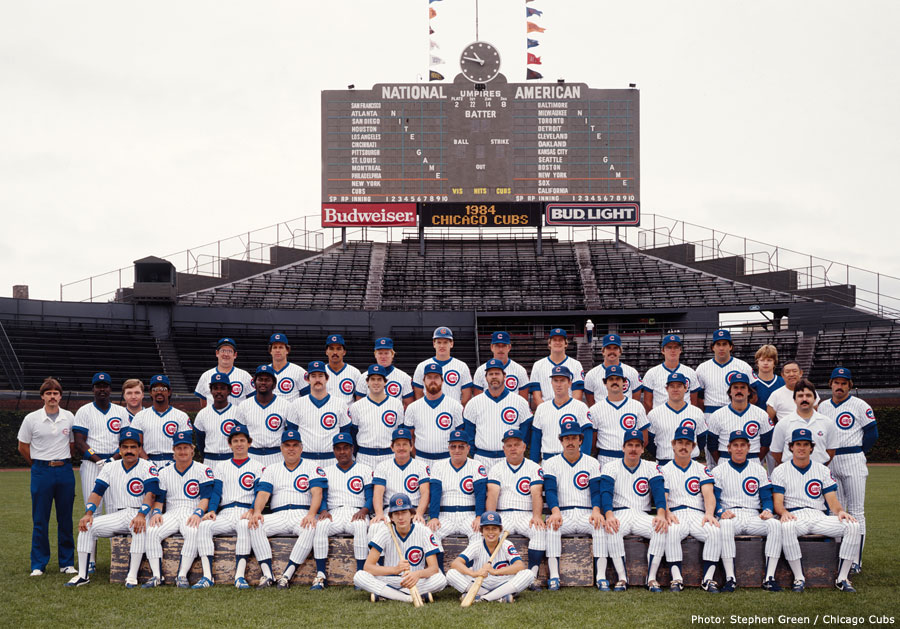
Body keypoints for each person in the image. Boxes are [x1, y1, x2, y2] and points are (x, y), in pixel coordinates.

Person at [64, 427, 157, 587]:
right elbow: (97, 492)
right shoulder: (109, 467)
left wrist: (141, 515)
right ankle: (82, 575)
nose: (129, 450)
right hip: (119, 515)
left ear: (140, 449)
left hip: (140, 513)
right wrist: (89, 513)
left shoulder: (148, 466)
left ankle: (132, 576)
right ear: (119, 449)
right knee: (87, 526)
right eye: (125, 447)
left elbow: (151, 494)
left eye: (133, 447)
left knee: (138, 527)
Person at [772, 428, 861, 593]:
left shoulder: (822, 470)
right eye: (798, 444)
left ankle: (842, 578)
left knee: (853, 526)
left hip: (818, 516)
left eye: (806, 444)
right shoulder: (780, 470)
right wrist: (783, 513)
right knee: (786, 527)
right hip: (795, 515)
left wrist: (840, 511)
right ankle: (799, 577)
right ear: (791, 447)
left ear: (811, 448)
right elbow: (778, 502)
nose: (802, 448)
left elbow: (832, 500)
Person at [243, 429, 325, 589]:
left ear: (301, 448)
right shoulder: (272, 469)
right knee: (254, 525)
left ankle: (287, 575)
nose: (291, 448)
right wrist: (257, 511)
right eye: (287, 445)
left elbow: (317, 493)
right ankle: (267, 574)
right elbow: (263, 494)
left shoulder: (311, 466)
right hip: (279, 514)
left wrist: (311, 514)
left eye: (295, 445)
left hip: (301, 514)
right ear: (281, 448)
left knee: (310, 527)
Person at [816, 367, 878, 573]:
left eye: (844, 383)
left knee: (857, 511)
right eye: (836, 382)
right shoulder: (823, 406)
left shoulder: (860, 405)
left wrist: (859, 452)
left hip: (852, 458)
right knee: (836, 512)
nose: (839, 386)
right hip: (831, 460)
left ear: (849, 385)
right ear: (830, 384)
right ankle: (840, 557)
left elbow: (872, 433)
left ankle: (855, 560)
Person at [140, 431, 215, 588]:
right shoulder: (164, 471)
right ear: (173, 451)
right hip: (172, 512)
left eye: (186, 448)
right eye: (179, 448)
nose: (182, 451)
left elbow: (205, 498)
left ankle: (181, 575)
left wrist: (198, 513)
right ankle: (156, 576)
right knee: (152, 530)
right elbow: (160, 499)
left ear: (192, 450)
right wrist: (156, 513)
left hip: (191, 511)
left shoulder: (203, 469)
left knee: (194, 532)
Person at [18, 377, 77, 576]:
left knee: (65, 519)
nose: (52, 397)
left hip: (64, 471)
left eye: (56, 393)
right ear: (42, 396)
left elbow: (71, 444)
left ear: (60, 396)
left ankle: (67, 563)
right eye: (49, 393)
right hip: (41, 471)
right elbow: (23, 446)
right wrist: (38, 464)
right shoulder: (31, 418)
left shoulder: (69, 416)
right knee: (40, 519)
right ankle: (38, 564)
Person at [711, 429, 782, 592]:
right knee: (726, 526)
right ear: (728, 448)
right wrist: (721, 512)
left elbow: (766, 497)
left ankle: (769, 578)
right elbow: (714, 498)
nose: (739, 449)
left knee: (775, 525)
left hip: (753, 515)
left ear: (748, 447)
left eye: (743, 445)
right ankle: (730, 578)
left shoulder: (758, 469)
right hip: (731, 514)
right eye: (735, 445)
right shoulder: (719, 470)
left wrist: (768, 510)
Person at [196, 423, 263, 589]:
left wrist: (253, 510)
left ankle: (239, 576)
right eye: (235, 441)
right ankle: (207, 576)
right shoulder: (221, 466)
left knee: (244, 526)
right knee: (204, 526)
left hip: (245, 510)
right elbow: (216, 492)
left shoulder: (257, 466)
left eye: (242, 440)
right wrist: (211, 510)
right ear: (230, 444)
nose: (239, 444)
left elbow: (259, 493)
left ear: (249, 443)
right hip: (226, 512)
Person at [599, 429, 668, 592]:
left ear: (643, 449)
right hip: (619, 513)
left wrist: (661, 514)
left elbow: (659, 491)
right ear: (623, 447)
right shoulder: (610, 466)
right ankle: (622, 578)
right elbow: (605, 492)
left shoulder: (651, 467)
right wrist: (609, 515)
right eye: (630, 445)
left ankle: (651, 578)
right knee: (612, 529)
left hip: (641, 514)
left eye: (637, 445)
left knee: (660, 529)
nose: (633, 449)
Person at [542, 422, 605, 591]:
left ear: (580, 440)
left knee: (599, 527)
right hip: (564, 513)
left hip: (586, 512)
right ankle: (554, 576)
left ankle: (601, 576)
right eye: (566, 438)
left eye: (574, 438)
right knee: (552, 528)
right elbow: (550, 490)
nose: (570, 442)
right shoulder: (550, 462)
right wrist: (555, 511)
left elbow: (596, 491)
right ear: (561, 441)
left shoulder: (591, 462)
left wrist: (596, 511)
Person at [659, 426, 722, 593]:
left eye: (688, 443)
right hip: (676, 513)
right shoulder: (664, 470)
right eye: (680, 442)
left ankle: (708, 579)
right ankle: (676, 578)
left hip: (697, 513)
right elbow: (662, 497)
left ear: (693, 447)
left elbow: (709, 494)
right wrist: (667, 512)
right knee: (671, 530)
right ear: (673, 444)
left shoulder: (701, 469)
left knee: (714, 531)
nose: (683, 446)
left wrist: (709, 514)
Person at [353, 493, 447, 603]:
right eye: (396, 513)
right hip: (390, 578)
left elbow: (433, 568)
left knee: (440, 579)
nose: (401, 517)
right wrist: (395, 569)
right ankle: (407, 597)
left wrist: (417, 574)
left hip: (415, 579)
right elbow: (368, 567)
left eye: (404, 512)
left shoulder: (424, 531)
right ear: (391, 517)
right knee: (359, 576)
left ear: (412, 514)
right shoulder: (385, 531)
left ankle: (388, 594)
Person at [484, 429, 546, 586]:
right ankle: (493, 573)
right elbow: (492, 495)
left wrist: (537, 516)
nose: (513, 448)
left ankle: (532, 575)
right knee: (490, 534)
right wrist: (491, 519)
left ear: (524, 447)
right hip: (503, 515)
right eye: (509, 445)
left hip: (525, 514)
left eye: (516, 445)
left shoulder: (533, 467)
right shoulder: (496, 468)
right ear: (504, 449)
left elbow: (536, 493)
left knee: (539, 530)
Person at [312, 432, 374, 590]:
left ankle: (361, 575)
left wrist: (365, 510)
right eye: (338, 448)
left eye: (346, 448)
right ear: (333, 451)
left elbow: (371, 496)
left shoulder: (364, 469)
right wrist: (324, 510)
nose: (342, 452)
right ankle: (320, 575)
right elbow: (322, 495)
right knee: (321, 526)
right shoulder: (326, 470)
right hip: (335, 512)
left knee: (360, 527)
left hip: (356, 511)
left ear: (352, 449)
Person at [428, 430, 488, 570]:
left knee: (479, 534)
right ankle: (438, 572)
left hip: (469, 515)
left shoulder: (476, 465)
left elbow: (480, 494)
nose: (457, 450)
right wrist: (434, 517)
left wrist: (479, 516)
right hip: (445, 515)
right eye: (453, 446)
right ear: (448, 448)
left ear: (468, 448)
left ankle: (471, 571)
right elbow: (435, 494)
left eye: (461, 446)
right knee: (431, 533)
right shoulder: (438, 466)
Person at [446, 511, 535, 603]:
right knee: (451, 574)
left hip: (502, 582)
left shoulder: (507, 544)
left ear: (500, 530)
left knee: (528, 574)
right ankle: (499, 597)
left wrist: (495, 571)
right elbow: (455, 563)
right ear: (481, 531)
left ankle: (482, 598)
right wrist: (474, 574)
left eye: (494, 528)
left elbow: (519, 566)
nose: (491, 532)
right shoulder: (476, 545)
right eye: (487, 528)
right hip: (481, 583)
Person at [73, 373, 128, 517]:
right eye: (98, 386)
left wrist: (113, 459)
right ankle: (91, 540)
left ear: (110, 389)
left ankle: (115, 541)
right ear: (93, 389)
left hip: (115, 464)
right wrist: (97, 460)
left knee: (114, 508)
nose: (102, 389)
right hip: (91, 464)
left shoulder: (121, 411)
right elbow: (79, 442)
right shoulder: (84, 411)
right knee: (92, 509)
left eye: (105, 386)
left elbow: (126, 441)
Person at [462, 358, 533, 470]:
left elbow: (525, 433)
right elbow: (469, 434)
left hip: (510, 458)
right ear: (486, 377)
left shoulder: (520, 402)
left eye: (497, 373)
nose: (494, 376)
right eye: (490, 374)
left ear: (504, 376)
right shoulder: (474, 403)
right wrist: (475, 453)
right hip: (482, 458)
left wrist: (516, 453)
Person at [234, 365, 299, 468]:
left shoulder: (286, 405)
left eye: (267, 380)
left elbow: (291, 433)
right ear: (254, 383)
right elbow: (239, 436)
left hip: (277, 456)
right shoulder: (244, 405)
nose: (263, 382)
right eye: (260, 379)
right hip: (251, 455)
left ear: (274, 384)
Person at [588, 365, 649, 469]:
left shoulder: (636, 406)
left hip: (631, 459)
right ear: (605, 383)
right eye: (611, 379)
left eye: (618, 379)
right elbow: (592, 442)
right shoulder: (595, 409)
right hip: (605, 459)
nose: (614, 382)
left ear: (624, 382)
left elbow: (645, 439)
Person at [705, 373, 772, 465]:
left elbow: (766, 443)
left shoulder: (761, 414)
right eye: (735, 387)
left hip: (752, 459)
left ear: (749, 391)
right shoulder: (717, 415)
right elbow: (712, 445)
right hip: (725, 460)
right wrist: (721, 463)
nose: (739, 390)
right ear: (730, 392)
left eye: (743, 387)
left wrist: (755, 460)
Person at [530, 365, 591, 463]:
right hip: (548, 460)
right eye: (555, 380)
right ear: (551, 382)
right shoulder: (542, 408)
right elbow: (536, 440)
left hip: (572, 460)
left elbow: (587, 438)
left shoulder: (580, 407)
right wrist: (533, 464)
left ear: (569, 383)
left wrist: (584, 462)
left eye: (562, 380)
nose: (558, 384)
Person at [403, 363, 464, 463]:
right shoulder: (413, 408)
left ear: (442, 380)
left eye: (436, 377)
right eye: (429, 377)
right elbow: (409, 437)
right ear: (423, 381)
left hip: (447, 460)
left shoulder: (455, 406)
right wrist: (417, 456)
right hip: (421, 459)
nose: (433, 381)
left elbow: (460, 436)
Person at [348, 365, 405, 470]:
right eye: (372, 379)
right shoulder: (356, 406)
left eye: (379, 379)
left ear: (385, 382)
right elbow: (353, 435)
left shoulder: (396, 404)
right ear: (367, 382)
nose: (376, 382)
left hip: (389, 455)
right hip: (365, 456)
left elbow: (400, 432)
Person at [293, 361, 351, 464]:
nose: (317, 380)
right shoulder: (297, 404)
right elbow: (292, 434)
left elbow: (345, 433)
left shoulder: (340, 404)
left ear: (327, 378)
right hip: (305, 459)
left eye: (320, 376)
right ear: (307, 379)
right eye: (313, 376)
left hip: (332, 459)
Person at [371, 428, 430, 528]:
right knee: (375, 527)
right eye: (398, 444)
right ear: (392, 447)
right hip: (390, 511)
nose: (401, 448)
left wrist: (419, 514)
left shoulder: (422, 466)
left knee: (419, 527)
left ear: (411, 447)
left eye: (405, 444)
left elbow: (425, 493)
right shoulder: (382, 466)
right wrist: (379, 514)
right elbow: (378, 493)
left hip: (413, 511)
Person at [770, 379, 834, 465]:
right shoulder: (783, 424)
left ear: (815, 399)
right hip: (791, 474)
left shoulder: (827, 423)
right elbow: (776, 452)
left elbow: (831, 450)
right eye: (800, 396)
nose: (804, 399)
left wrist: (819, 468)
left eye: (808, 395)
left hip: (819, 473)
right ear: (794, 400)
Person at [130, 375, 191, 464]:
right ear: (150, 392)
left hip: (175, 463)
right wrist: (148, 462)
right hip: (147, 462)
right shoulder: (140, 416)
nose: (159, 392)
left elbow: (185, 445)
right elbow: (136, 445)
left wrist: (171, 464)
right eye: (155, 389)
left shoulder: (181, 416)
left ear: (169, 392)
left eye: (163, 389)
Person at [647, 373, 706, 465]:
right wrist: (662, 454)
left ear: (686, 388)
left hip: (690, 464)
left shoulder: (696, 412)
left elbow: (702, 439)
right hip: (664, 463)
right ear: (667, 389)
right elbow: (649, 442)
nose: (675, 389)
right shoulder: (654, 414)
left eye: (679, 386)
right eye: (672, 386)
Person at [695, 329, 754, 416]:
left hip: (736, 412)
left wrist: (742, 411)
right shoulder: (702, 368)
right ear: (713, 347)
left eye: (724, 344)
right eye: (718, 344)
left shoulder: (743, 366)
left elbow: (754, 394)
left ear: (730, 346)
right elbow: (698, 398)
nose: (721, 348)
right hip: (711, 412)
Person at [192, 372, 241, 475]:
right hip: (210, 460)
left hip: (232, 459)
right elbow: (200, 442)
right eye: (215, 388)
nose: (219, 391)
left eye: (222, 388)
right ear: (211, 391)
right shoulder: (203, 414)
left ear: (229, 391)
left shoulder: (238, 412)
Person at [412, 327, 474, 405]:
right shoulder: (422, 366)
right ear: (434, 344)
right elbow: (418, 394)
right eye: (439, 342)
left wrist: (457, 410)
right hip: (428, 412)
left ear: (451, 344)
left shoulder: (462, 366)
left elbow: (466, 396)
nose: (442, 346)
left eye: (445, 342)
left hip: (453, 412)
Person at [641, 334, 700, 411]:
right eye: (669, 347)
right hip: (660, 417)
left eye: (676, 347)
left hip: (685, 417)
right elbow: (647, 402)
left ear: (680, 350)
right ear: (662, 350)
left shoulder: (690, 372)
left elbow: (694, 402)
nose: (673, 350)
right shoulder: (652, 373)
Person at [528, 327, 585, 406]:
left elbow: (577, 394)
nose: (557, 342)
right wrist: (547, 411)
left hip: (569, 411)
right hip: (546, 410)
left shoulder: (576, 365)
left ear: (566, 343)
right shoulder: (538, 365)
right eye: (554, 340)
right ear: (549, 343)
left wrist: (569, 410)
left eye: (560, 340)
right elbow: (536, 396)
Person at [583, 334, 643, 406]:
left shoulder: (632, 372)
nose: (612, 351)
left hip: (626, 414)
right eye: (608, 348)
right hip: (602, 414)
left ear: (620, 351)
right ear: (603, 351)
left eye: (615, 348)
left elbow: (636, 401)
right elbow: (591, 403)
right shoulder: (591, 374)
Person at [355, 337, 414, 409]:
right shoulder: (364, 377)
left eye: (386, 353)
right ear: (375, 355)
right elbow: (359, 404)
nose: (383, 357)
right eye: (380, 353)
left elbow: (409, 405)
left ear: (392, 354)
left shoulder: (404, 377)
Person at [194, 337, 253, 407]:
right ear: (217, 353)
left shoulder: (245, 375)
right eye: (223, 351)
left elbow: (252, 400)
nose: (226, 354)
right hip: (213, 417)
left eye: (230, 351)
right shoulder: (206, 375)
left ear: (235, 355)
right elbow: (203, 402)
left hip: (237, 417)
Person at [472, 331, 530, 400]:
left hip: (511, 409)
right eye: (497, 346)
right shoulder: (481, 370)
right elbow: (477, 401)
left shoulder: (520, 370)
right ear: (491, 347)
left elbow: (523, 401)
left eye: (504, 346)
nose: (500, 349)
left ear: (509, 347)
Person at [268, 332, 308, 402]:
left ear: (287, 350)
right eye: (274, 347)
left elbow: (308, 396)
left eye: (281, 347)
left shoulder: (298, 371)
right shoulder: (264, 371)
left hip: (291, 412)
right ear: (270, 351)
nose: (277, 350)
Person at [750, 345, 784, 410]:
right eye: (762, 360)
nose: (765, 363)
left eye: (769, 360)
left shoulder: (782, 382)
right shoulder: (751, 382)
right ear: (757, 363)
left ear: (774, 362)